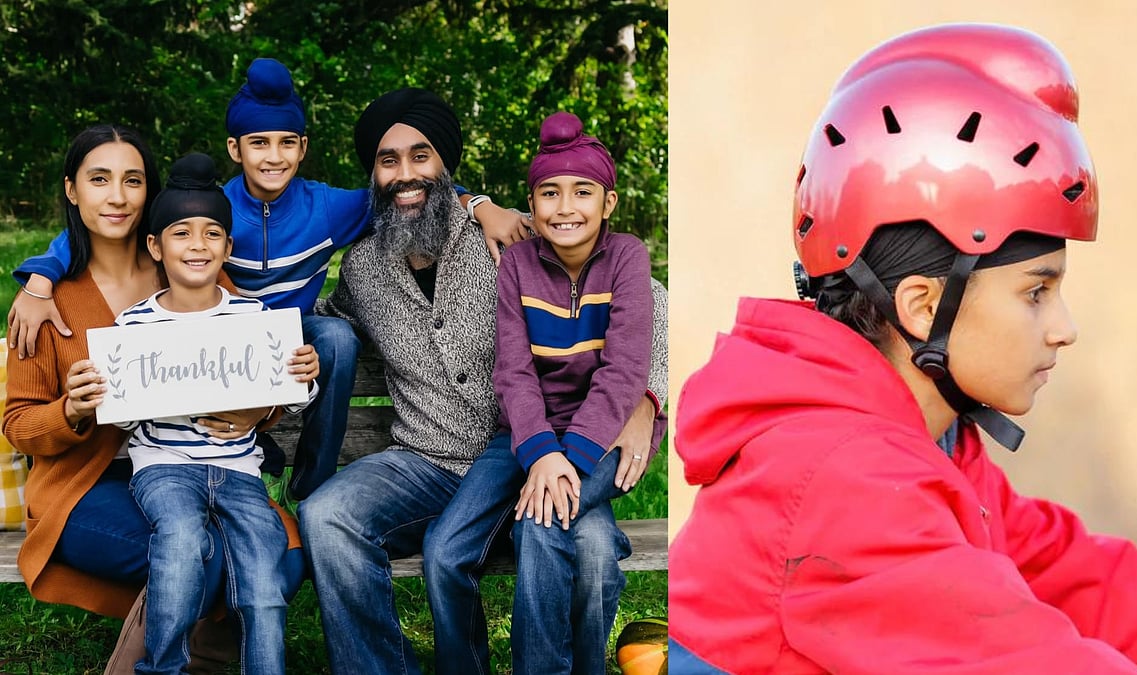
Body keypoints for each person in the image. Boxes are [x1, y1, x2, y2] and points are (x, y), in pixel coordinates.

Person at [667, 23, 1137, 674]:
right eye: (1036, 292)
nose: (1064, 327)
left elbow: (1082, 582)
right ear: (923, 307)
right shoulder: (843, 484)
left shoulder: (929, 446)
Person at [7, 58, 530, 506]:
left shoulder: (329, 207)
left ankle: (313, 474)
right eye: (259, 143)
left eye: (286, 143)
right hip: (219, 335)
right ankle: (247, 444)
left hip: (292, 336)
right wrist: (40, 278)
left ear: (302, 148)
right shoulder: (212, 210)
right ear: (236, 150)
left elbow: (407, 189)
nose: (273, 156)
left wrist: (477, 203)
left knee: (337, 337)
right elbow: (122, 224)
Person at [297, 88, 668, 674]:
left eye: (421, 156)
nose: (404, 174)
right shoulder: (364, 268)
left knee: (590, 548)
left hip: (537, 450)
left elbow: (648, 301)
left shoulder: (510, 237)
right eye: (387, 160)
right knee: (327, 514)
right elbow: (321, 316)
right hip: (425, 462)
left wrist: (648, 397)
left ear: (446, 164)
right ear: (372, 173)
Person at [1, 125, 305, 673]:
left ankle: (203, 657)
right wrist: (69, 410)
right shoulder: (45, 301)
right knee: (200, 557)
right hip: (84, 487)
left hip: (206, 468)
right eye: (100, 180)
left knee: (281, 559)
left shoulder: (191, 272)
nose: (117, 196)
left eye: (132, 180)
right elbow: (20, 426)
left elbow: (261, 375)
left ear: (149, 193)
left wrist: (258, 410)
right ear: (73, 190)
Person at [88, 152, 318, 674]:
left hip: (239, 470)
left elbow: (289, 394)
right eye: (181, 234)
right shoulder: (134, 324)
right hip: (165, 467)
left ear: (228, 247)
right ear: (155, 246)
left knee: (264, 576)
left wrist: (303, 373)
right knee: (180, 544)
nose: (198, 246)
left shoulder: (252, 316)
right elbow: (125, 419)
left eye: (212, 233)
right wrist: (112, 390)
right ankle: (162, 667)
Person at [488, 110, 666, 673]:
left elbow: (624, 371)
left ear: (608, 203)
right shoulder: (517, 264)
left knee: (539, 523)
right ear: (531, 203)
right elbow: (512, 372)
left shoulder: (629, 257)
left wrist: (569, 461)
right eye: (549, 194)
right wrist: (543, 453)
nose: (565, 207)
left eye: (582, 192)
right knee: (588, 547)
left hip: (609, 437)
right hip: (543, 437)